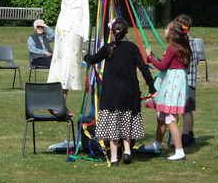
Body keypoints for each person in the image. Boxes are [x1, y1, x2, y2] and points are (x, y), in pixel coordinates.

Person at [84, 18, 156, 166]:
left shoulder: (108, 48)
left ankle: (115, 158)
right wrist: (151, 87)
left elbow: (93, 59)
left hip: (112, 94)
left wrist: (85, 56)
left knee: (112, 126)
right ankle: (128, 151)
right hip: (130, 93)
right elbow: (144, 68)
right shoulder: (133, 48)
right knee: (127, 122)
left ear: (111, 32)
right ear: (126, 32)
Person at [47, 0, 108, 105]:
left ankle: (56, 104)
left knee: (61, 65)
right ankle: (59, 105)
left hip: (64, 27)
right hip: (71, 29)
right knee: (67, 67)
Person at [143, 20, 192, 161]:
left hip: (172, 84)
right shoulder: (182, 48)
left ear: (172, 34)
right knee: (161, 116)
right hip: (174, 83)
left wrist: (150, 57)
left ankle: (179, 152)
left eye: (166, 29)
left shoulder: (172, 48)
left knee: (170, 118)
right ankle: (157, 144)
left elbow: (162, 66)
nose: (164, 31)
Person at [174, 14, 199, 147]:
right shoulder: (191, 40)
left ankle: (185, 137)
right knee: (188, 110)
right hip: (191, 79)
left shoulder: (185, 42)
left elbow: (184, 61)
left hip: (186, 80)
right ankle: (189, 134)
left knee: (186, 110)